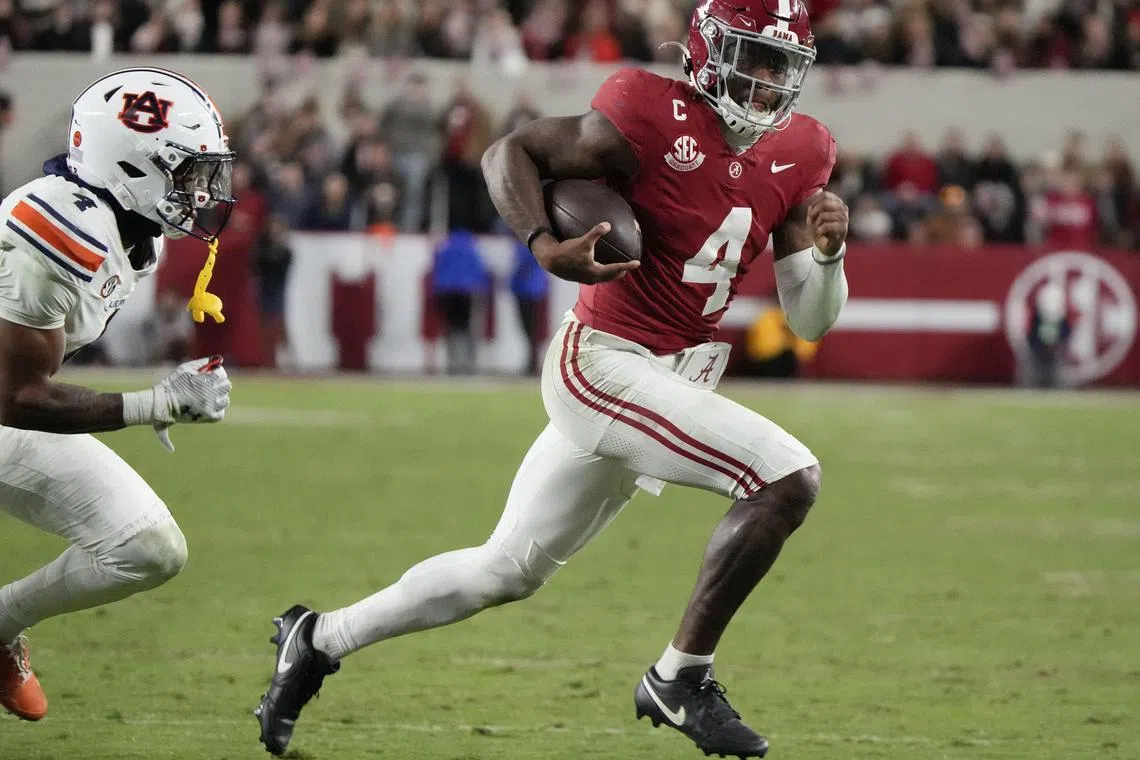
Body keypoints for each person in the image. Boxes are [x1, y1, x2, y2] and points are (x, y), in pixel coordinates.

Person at [254, 2, 849, 758]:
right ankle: (680, 678)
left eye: (779, 63)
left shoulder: (803, 149)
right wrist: (541, 240)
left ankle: (317, 637)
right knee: (787, 478)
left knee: (503, 571)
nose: (765, 80)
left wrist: (828, 259)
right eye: (751, 57)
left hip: (672, 378)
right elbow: (509, 153)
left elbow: (811, 321)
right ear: (706, 49)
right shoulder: (646, 111)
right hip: (602, 361)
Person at [0, 68, 234, 722]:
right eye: (189, 172)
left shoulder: (130, 233)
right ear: (132, 166)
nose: (204, 191)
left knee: (146, 546)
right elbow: (15, 397)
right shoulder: (53, 231)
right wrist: (151, 404)